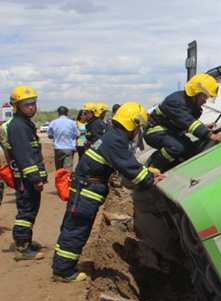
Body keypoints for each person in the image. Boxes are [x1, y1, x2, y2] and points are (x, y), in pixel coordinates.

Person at [52, 102, 165, 282]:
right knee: (77, 230)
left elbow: (128, 163)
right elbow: (128, 166)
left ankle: (62, 265)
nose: (137, 133)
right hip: (87, 192)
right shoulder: (116, 140)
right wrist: (149, 180)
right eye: (138, 127)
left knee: (72, 227)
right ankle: (63, 271)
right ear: (132, 124)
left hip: (84, 189)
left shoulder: (113, 136)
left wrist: (148, 173)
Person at [144, 73, 221, 172]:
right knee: (177, 148)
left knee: (193, 152)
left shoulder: (189, 103)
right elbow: (188, 122)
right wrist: (211, 136)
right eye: (204, 97)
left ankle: (170, 168)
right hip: (155, 132)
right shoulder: (175, 101)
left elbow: (185, 121)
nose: (205, 101)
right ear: (195, 92)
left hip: (170, 132)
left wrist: (204, 127)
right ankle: (152, 164)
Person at [6, 85, 47, 260]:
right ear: (17, 106)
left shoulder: (25, 124)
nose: (30, 107)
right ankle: (22, 248)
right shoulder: (18, 126)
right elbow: (25, 157)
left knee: (30, 209)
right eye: (25, 104)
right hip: (25, 179)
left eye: (32, 103)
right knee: (26, 212)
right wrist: (35, 179)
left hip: (27, 178)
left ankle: (26, 241)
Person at [47, 106, 80, 171]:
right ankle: (67, 181)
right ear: (67, 113)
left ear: (58, 113)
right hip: (69, 148)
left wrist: (56, 136)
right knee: (68, 169)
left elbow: (49, 135)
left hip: (58, 148)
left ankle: (59, 181)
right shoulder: (72, 123)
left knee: (59, 169)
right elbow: (77, 134)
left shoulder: (53, 123)